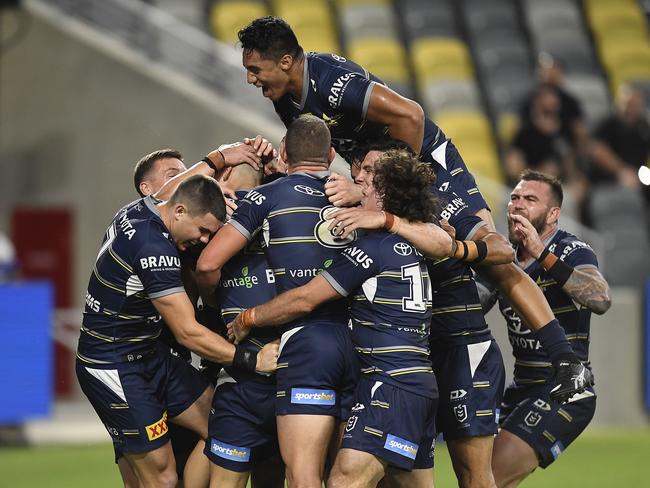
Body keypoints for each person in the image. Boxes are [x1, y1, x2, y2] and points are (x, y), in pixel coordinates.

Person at [228, 149, 455, 488]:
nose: (359, 181)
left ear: (386, 195)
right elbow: (444, 241)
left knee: (343, 481)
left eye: (370, 181)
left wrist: (249, 317)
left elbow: (306, 298)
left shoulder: (373, 247)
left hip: (390, 384)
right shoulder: (410, 239)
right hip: (418, 383)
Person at [76, 149, 278, 488]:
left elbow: (174, 186)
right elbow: (187, 332)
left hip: (148, 353)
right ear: (180, 210)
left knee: (223, 423)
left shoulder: (142, 209)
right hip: (113, 364)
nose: (202, 241)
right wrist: (253, 359)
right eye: (202, 231)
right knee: (162, 477)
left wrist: (222, 156)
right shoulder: (154, 249)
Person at [328, 141, 514, 488]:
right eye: (362, 170)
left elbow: (499, 248)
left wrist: (389, 219)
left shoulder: (432, 212)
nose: (361, 177)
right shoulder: (368, 217)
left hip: (461, 350)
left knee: (472, 475)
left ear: (395, 178)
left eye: (372, 171)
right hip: (415, 361)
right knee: (403, 477)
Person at [195, 115, 360, 488]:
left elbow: (207, 264)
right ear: (332, 155)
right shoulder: (358, 203)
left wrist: (220, 304)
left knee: (301, 476)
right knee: (346, 475)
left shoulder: (263, 200)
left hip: (300, 348)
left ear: (284, 153)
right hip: (359, 343)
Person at [237, 16, 494, 227]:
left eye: (255, 70)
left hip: (425, 159)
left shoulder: (332, 83)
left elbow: (411, 116)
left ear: (285, 62)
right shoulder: (283, 96)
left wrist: (388, 187)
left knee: (487, 247)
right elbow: (314, 151)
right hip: (376, 180)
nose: (250, 79)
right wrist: (281, 166)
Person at [486, 170, 611, 487]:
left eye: (530, 199)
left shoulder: (572, 249)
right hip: (521, 389)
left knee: (488, 478)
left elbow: (600, 298)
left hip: (566, 390)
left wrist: (543, 254)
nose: (518, 205)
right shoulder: (503, 256)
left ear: (553, 214)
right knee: (477, 474)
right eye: (514, 198)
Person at [204, 162, 285, 488]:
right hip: (282, 368)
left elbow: (206, 270)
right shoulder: (212, 210)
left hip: (248, 377)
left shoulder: (212, 217)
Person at [590, 84, 650, 202]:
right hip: (606, 177)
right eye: (628, 104)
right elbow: (598, 151)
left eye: (635, 105)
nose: (631, 109)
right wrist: (621, 171)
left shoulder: (644, 128)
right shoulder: (607, 124)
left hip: (636, 176)